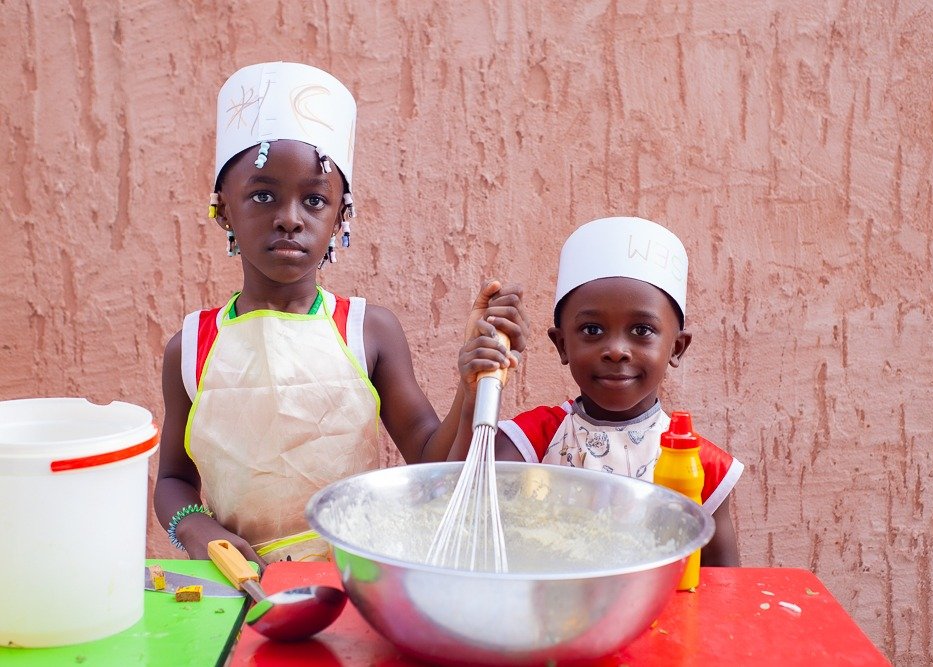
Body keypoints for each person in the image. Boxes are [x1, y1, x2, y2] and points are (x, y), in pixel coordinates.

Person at [154, 61, 525, 566]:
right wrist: (196, 529)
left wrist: (470, 384)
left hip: (353, 578)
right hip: (239, 584)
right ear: (223, 210)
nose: (290, 218)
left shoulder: (368, 331)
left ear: (339, 217)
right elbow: (173, 478)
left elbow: (430, 460)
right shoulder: (192, 346)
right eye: (263, 196)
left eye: (314, 200)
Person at [454, 216, 742, 566]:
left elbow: (728, 585)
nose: (616, 350)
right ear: (562, 345)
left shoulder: (699, 465)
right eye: (592, 330)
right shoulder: (535, 440)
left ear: (676, 348)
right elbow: (460, 510)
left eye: (641, 330)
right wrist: (475, 397)